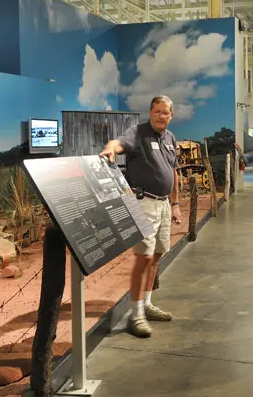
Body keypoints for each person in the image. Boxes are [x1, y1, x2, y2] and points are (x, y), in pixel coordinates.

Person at [100, 95, 182, 338]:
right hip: (144, 203)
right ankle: (135, 315)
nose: (160, 116)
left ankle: (146, 304)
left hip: (165, 204)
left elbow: (173, 171)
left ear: (171, 115)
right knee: (143, 258)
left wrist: (176, 204)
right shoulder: (138, 133)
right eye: (156, 111)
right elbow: (118, 143)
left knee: (157, 255)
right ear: (150, 112)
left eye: (164, 112)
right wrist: (108, 149)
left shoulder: (170, 138)